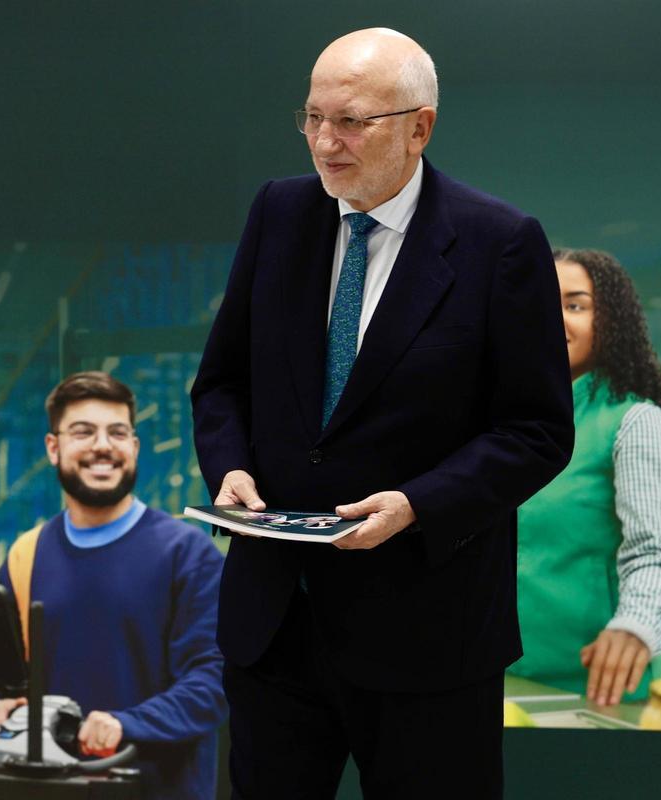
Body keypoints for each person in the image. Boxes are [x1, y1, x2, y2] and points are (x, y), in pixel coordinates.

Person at [190, 29, 574, 799]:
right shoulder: (279, 213)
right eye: (312, 118)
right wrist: (229, 466)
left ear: (419, 126)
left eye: (352, 121)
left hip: (428, 638)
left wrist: (416, 505)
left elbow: (536, 431)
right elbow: (221, 383)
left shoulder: (500, 244)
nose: (326, 144)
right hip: (276, 625)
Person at [0, 371, 226, 800]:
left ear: (135, 446)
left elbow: (213, 679)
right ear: (54, 448)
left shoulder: (187, 554)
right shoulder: (23, 557)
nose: (102, 446)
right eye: (83, 432)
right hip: (47, 789)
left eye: (118, 432)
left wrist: (128, 723)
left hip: (151, 789)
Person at [509, 248, 661, 706]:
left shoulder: (635, 422)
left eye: (575, 305)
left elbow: (658, 549)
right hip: (507, 682)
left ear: (611, 321)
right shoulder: (503, 422)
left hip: (599, 692)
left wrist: (637, 626)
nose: (554, 319)